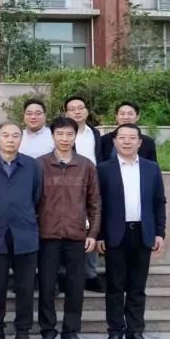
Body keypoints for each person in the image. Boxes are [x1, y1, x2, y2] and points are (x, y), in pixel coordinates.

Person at [98, 124, 166, 339]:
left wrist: (159, 232)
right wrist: (99, 235)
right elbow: (98, 205)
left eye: (132, 137)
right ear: (114, 141)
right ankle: (115, 331)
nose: (127, 141)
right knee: (115, 286)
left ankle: (135, 332)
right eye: (122, 137)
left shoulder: (151, 168)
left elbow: (159, 202)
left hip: (143, 233)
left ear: (140, 142)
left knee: (138, 286)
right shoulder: (103, 169)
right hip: (115, 234)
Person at [0, 122, 43, 339]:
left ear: (21, 139)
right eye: (5, 135)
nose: (10, 139)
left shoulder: (32, 166)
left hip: (25, 233)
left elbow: (37, 196)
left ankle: (23, 333)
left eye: (15, 135)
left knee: (25, 286)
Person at [37, 117, 101, 339]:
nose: (65, 139)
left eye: (69, 134)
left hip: (76, 235)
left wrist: (93, 233)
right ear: (52, 136)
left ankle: (71, 332)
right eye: (60, 134)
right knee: (47, 285)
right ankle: (47, 331)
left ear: (75, 136)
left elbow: (95, 203)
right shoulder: (40, 165)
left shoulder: (86, 166)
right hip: (47, 235)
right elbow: (32, 201)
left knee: (75, 286)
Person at [62, 96, 106, 293]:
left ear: (87, 111)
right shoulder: (63, 134)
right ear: (66, 113)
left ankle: (90, 274)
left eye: (81, 108)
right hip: (69, 188)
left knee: (92, 229)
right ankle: (65, 274)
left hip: (92, 187)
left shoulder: (94, 133)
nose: (77, 111)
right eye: (72, 109)